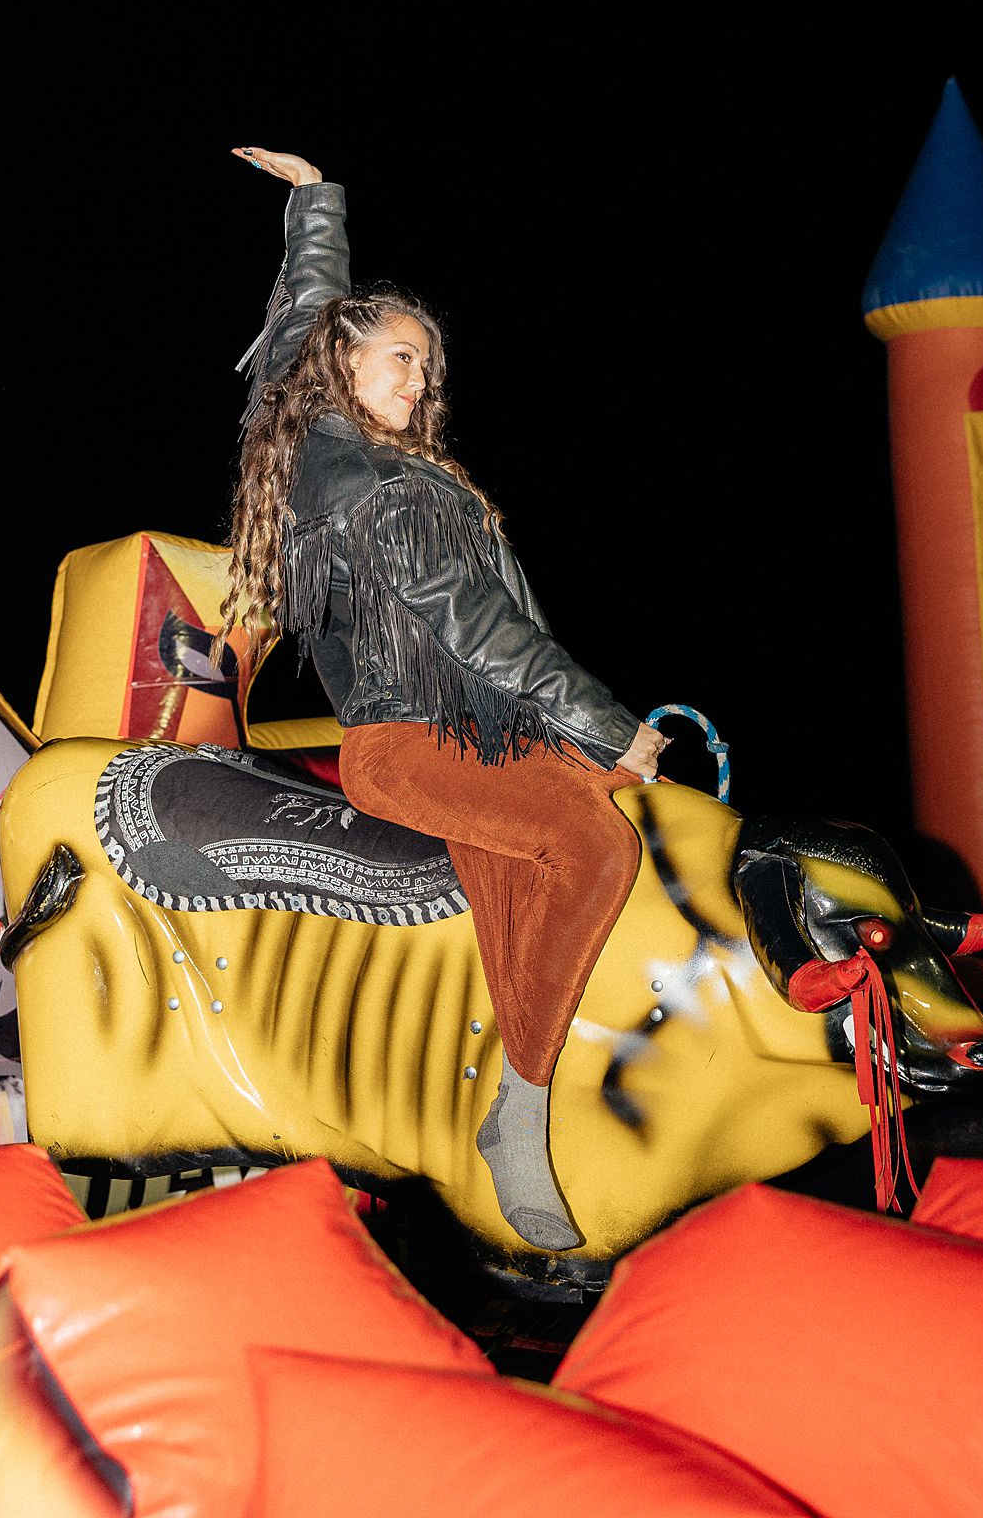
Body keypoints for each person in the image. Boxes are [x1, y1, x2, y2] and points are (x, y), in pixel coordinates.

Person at [220, 145, 664, 1251]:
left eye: (429, 367)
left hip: (476, 728)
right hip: (409, 742)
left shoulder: (345, 450)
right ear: (343, 365)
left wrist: (314, 201)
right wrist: (609, 724)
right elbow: (478, 628)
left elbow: (303, 321)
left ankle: (542, 1094)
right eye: (401, 359)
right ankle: (521, 1110)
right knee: (597, 848)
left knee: (571, 846)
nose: (421, 381)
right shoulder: (367, 480)